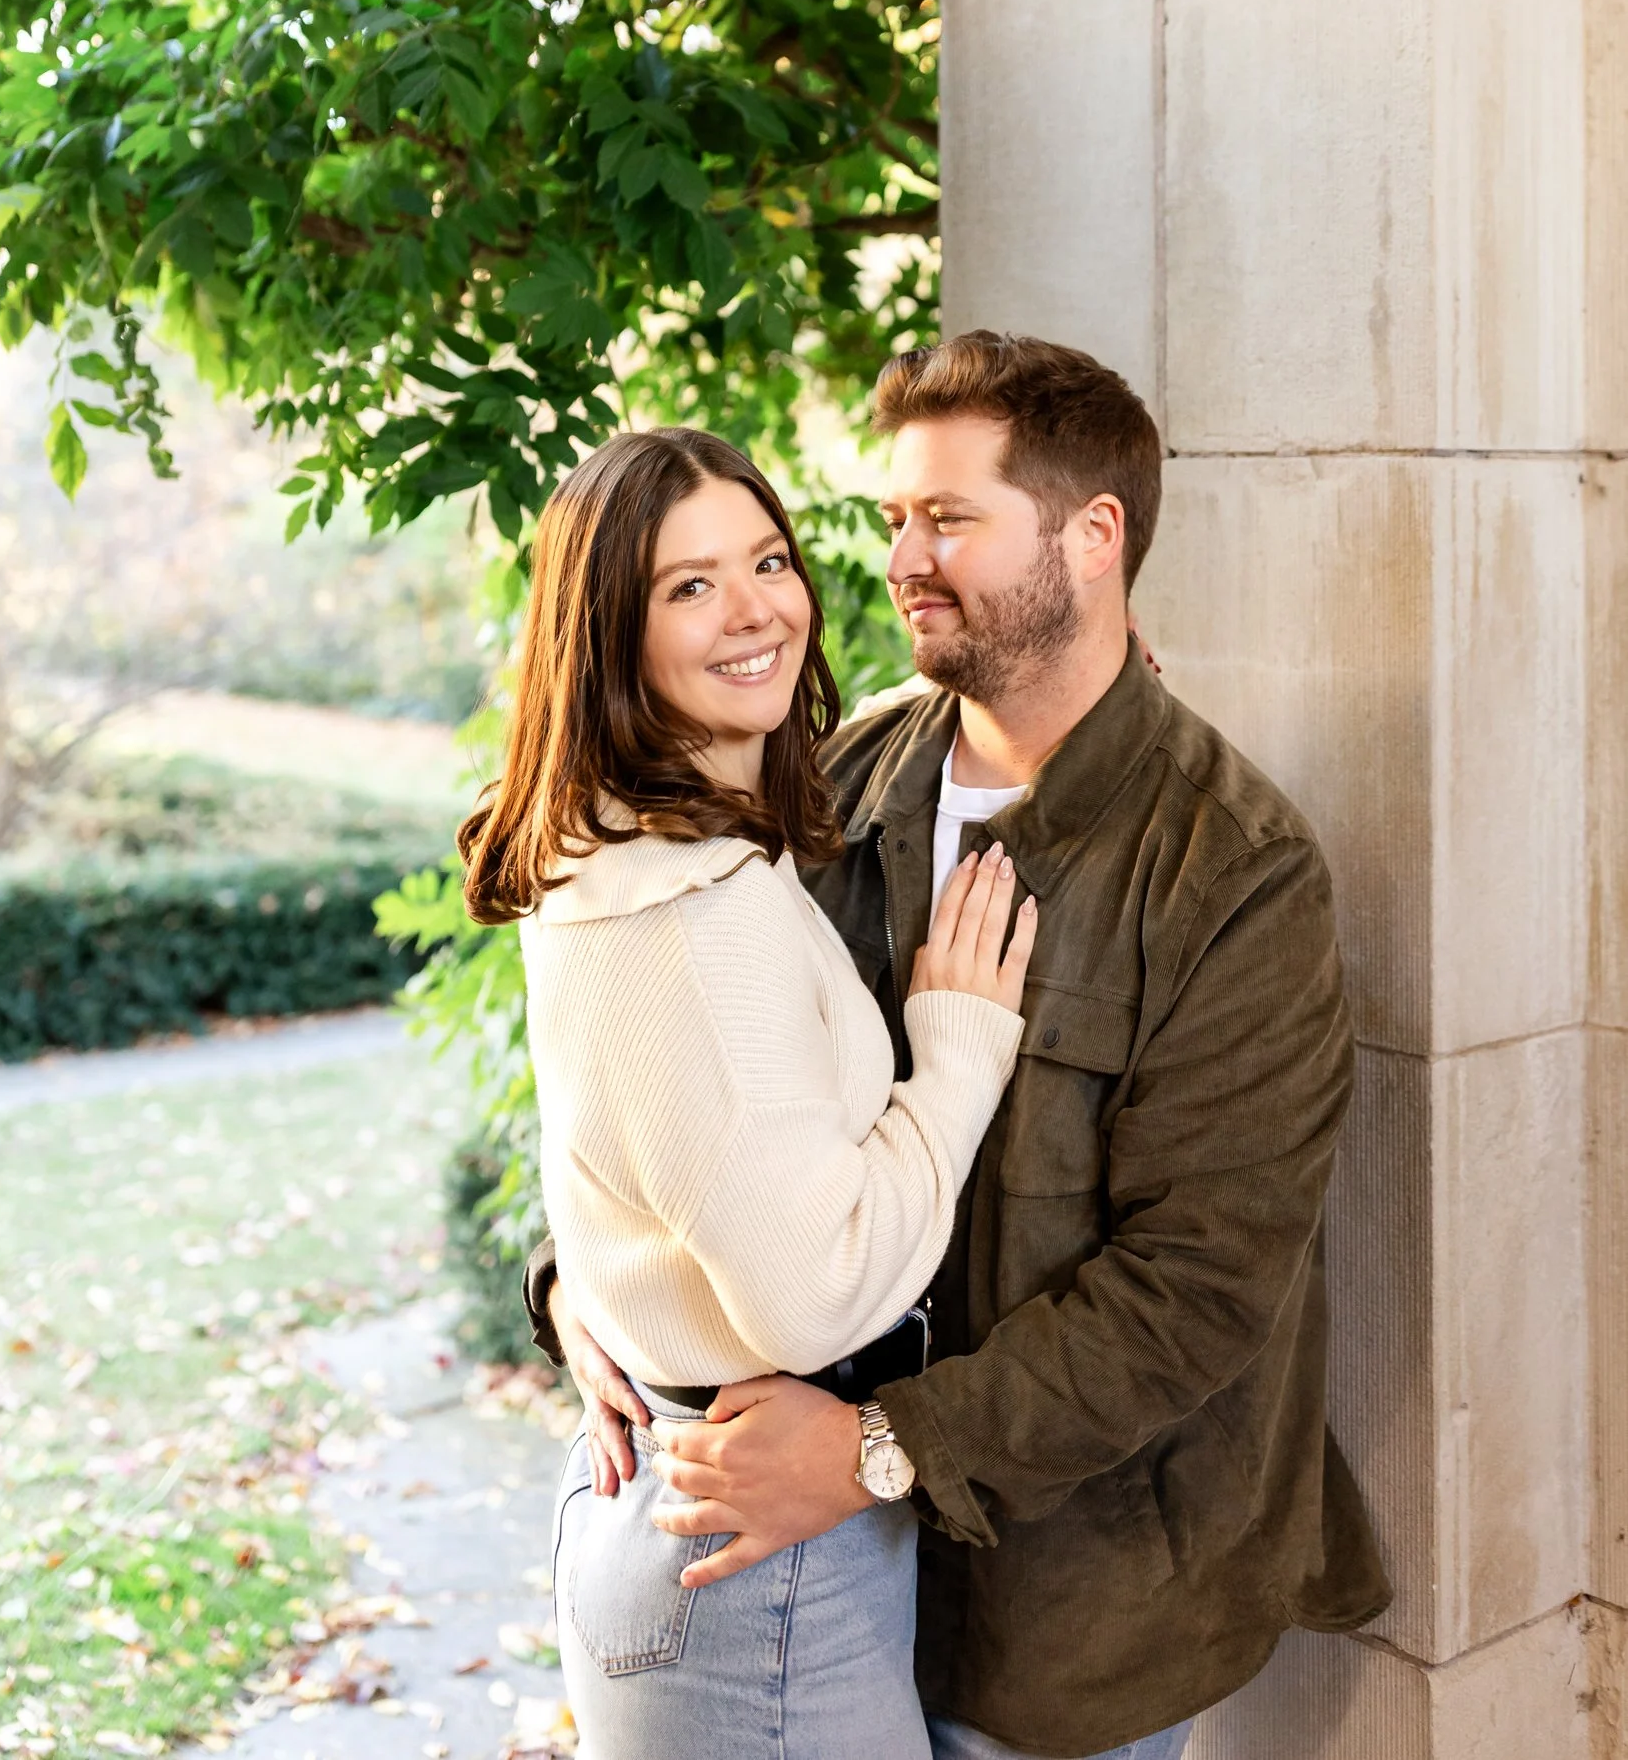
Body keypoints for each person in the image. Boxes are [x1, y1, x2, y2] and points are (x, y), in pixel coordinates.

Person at [531, 333, 1392, 1760]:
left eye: (949, 520)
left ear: (1091, 537)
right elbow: (679, 1070)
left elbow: (1199, 1288)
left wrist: (878, 1453)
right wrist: (589, 1293)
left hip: (1060, 1621)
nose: (900, 561)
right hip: (796, 1584)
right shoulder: (832, 777)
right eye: (888, 522)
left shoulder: (1229, 869)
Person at [457, 424, 1038, 1760]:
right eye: (687, 587)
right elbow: (814, 1291)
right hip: (751, 1565)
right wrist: (953, 1056)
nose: (756, 609)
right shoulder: (687, 909)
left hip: (708, 1518)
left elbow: (664, 1149)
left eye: (765, 561)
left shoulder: (649, 842)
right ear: (610, 635)